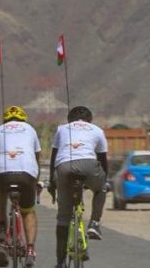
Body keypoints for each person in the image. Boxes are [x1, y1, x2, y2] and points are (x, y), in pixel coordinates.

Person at [48, 105, 108, 267]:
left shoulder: (61, 129)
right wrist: (104, 181)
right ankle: (94, 223)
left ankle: (60, 262)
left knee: (63, 218)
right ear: (90, 119)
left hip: (64, 168)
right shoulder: (97, 130)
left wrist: (52, 182)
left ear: (70, 119)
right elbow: (103, 160)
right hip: (89, 166)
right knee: (101, 187)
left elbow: (54, 157)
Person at [0, 106, 42, 267]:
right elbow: (36, 158)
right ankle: (30, 250)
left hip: (2, 172)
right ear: (23, 119)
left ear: (5, 119)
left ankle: (0, 232)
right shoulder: (30, 129)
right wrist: (36, 182)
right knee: (28, 211)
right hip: (26, 173)